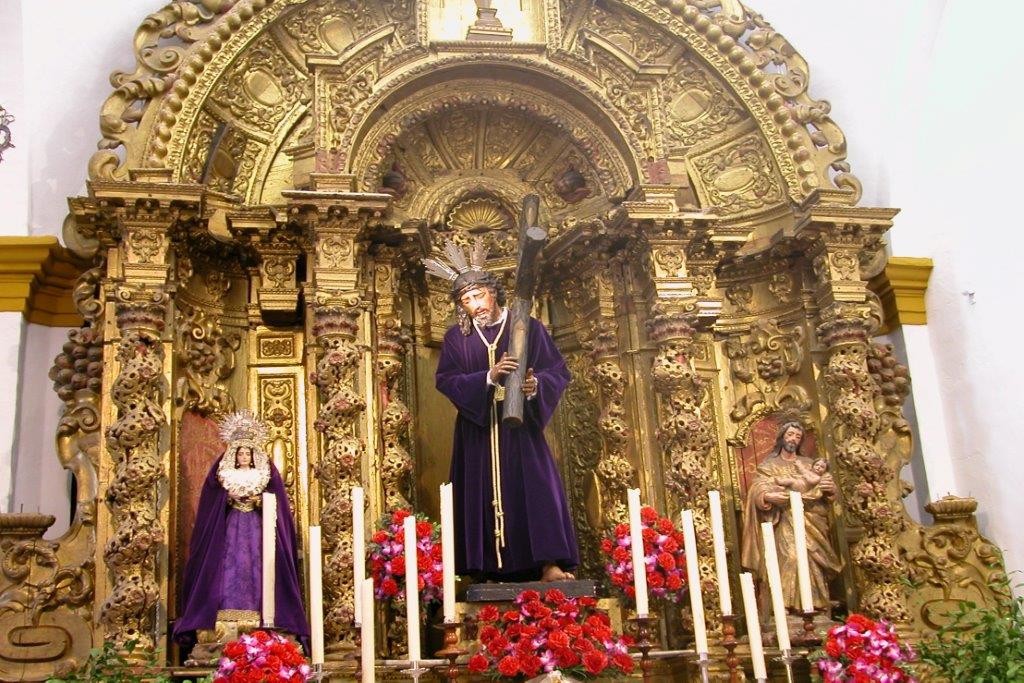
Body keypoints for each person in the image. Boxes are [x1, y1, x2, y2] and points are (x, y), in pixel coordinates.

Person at [426, 239, 579, 583]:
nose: (474, 305)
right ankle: (486, 568)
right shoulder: (456, 339)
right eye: (465, 301)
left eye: (478, 296)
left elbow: (557, 371)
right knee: (478, 491)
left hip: (520, 428)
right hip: (477, 431)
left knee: (535, 488)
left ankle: (548, 564)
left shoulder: (529, 326)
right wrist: (488, 377)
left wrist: (535, 385)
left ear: (494, 293)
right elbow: (447, 380)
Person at [173, 410, 309, 654]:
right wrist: (227, 498)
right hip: (232, 528)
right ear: (234, 456)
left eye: (247, 453)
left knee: (256, 564)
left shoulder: (264, 473)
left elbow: (276, 503)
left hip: (256, 528)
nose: (244, 456)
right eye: (240, 453)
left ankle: (264, 617)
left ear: (253, 455)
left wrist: (259, 501)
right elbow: (210, 504)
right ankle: (226, 616)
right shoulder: (223, 474)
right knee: (230, 565)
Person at [740, 421, 842, 612]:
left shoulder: (809, 465)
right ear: (782, 437)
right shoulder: (770, 465)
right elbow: (758, 487)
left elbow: (827, 491)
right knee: (791, 558)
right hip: (784, 521)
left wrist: (831, 490)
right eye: (790, 434)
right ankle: (785, 607)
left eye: (797, 436)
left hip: (811, 521)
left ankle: (816, 607)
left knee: (812, 561)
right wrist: (767, 496)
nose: (793, 439)